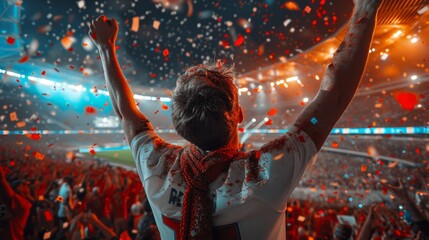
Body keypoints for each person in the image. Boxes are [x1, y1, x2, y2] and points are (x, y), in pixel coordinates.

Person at [89, 0, 382, 238]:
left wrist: (105, 48)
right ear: (239, 115)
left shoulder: (155, 167)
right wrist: (366, 9)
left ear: (179, 123)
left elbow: (124, 111)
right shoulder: (266, 174)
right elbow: (335, 89)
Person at [0, 166, 32, 240]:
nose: (26, 187)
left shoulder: (23, 204)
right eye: (23, 185)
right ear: (15, 189)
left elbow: (2, 182)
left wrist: (2, 177)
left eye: (27, 186)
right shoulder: (20, 202)